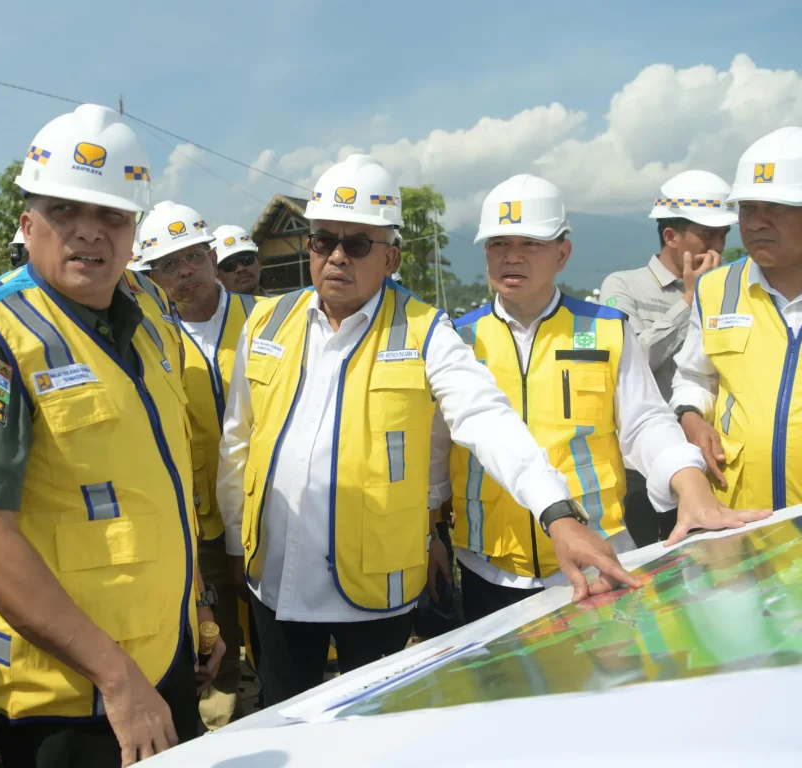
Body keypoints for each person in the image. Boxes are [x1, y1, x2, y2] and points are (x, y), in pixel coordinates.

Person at [216, 154, 642, 706]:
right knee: (283, 713)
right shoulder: (267, 321)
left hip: (374, 593)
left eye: (358, 244)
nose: (337, 256)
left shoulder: (426, 331)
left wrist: (556, 513)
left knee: (375, 725)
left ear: (390, 256)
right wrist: (235, 545)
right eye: (323, 241)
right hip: (273, 580)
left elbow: (485, 418)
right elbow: (239, 442)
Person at [0, 103, 223, 767]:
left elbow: (159, 487)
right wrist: (116, 678)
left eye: (112, 215)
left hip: (164, 662)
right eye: (65, 210)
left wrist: (199, 609)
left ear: (134, 231)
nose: (90, 231)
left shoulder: (147, 315)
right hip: (73, 700)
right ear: (27, 224)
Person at [448, 174, 767, 623]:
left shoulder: (606, 329)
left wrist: (689, 481)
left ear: (563, 253)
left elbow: (646, 422)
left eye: (530, 244)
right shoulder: (458, 339)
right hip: (491, 567)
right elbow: (438, 448)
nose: (512, 256)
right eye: (499, 244)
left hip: (598, 559)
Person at [139, 201, 256, 729]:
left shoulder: (265, 319)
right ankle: (222, 732)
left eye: (191, 257)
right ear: (152, 276)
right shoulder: (148, 338)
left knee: (277, 631)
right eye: (168, 264)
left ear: (212, 256)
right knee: (214, 640)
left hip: (268, 509)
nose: (184, 271)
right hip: (197, 520)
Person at [600, 171, 736, 546]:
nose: (718, 246)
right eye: (707, 235)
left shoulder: (729, 289)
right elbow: (629, 361)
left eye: (723, 234)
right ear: (671, 236)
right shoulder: (623, 286)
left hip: (709, 458)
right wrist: (690, 300)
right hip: (641, 468)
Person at [672, 126, 802, 512]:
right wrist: (691, 417)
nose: (757, 223)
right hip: (741, 515)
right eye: (747, 208)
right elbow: (694, 376)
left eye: (776, 207)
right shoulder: (715, 289)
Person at [212, 225, 264, 295]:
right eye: (229, 265)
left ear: (259, 262)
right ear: (217, 276)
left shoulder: (279, 301)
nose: (240, 268)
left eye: (246, 259)